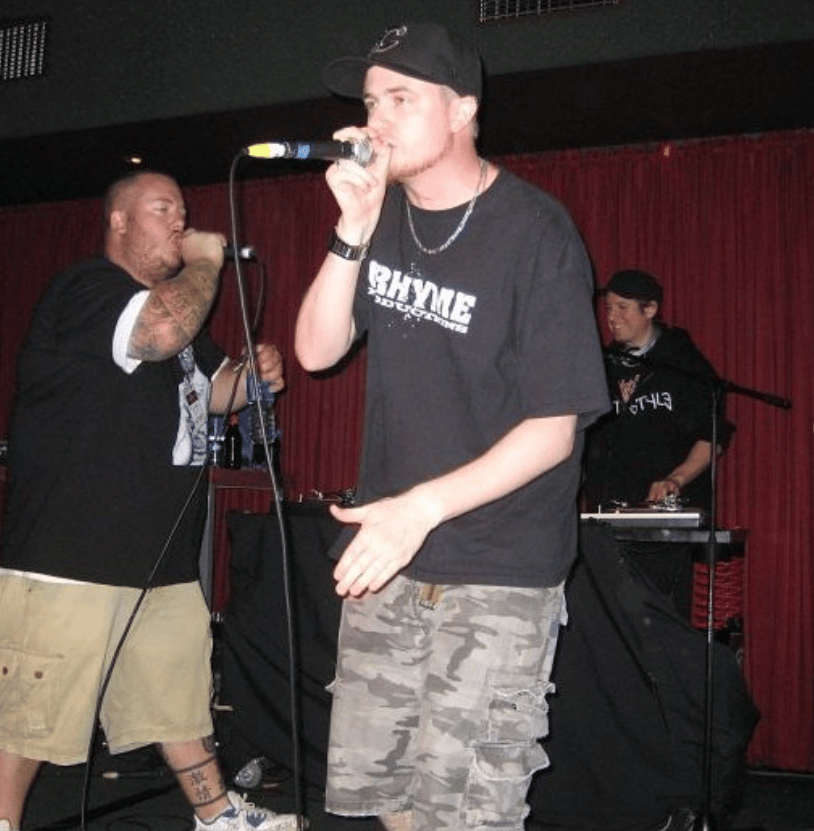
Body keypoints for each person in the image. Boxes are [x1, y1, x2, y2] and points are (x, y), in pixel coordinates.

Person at [294, 22, 609, 831]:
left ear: (463, 109)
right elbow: (316, 350)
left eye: (401, 98)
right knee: (389, 794)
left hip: (498, 563)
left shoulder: (535, 231)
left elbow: (554, 429)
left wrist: (420, 508)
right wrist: (351, 230)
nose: (377, 120)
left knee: (465, 808)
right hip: (390, 552)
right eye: (371, 101)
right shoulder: (380, 218)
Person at [0, 171, 300, 831]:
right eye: (162, 209)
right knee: (28, 718)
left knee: (176, 700)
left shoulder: (178, 318)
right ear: (118, 222)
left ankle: (216, 815)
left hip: (159, 560)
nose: (179, 221)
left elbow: (214, 390)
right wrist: (205, 263)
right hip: (71, 557)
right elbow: (158, 331)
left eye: (183, 211)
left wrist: (254, 375)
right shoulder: (88, 289)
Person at [582, 268, 732, 614]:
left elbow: (712, 435)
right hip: (609, 517)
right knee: (611, 617)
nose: (612, 317)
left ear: (649, 310)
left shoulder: (683, 363)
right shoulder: (604, 365)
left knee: (659, 617)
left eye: (622, 307)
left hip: (662, 521)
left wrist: (676, 479)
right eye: (608, 308)